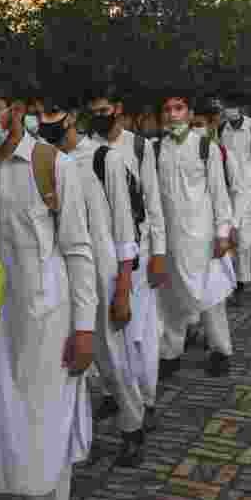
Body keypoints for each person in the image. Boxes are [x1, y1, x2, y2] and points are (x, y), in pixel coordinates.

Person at [0, 70, 97, 500]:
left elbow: (79, 250)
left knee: (47, 429)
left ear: (17, 110)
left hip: (47, 326)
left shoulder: (53, 165)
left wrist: (84, 328)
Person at [36, 96, 146, 467]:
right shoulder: (43, 162)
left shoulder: (102, 159)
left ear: (70, 117)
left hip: (101, 274)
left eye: (51, 111)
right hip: (59, 276)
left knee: (113, 358)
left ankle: (133, 425)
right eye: (39, 114)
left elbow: (124, 225)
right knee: (67, 362)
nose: (45, 120)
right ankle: (75, 438)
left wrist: (123, 286)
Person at [86, 85, 169, 424]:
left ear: (118, 109)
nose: (98, 117)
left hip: (140, 249)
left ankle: (146, 400)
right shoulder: (86, 149)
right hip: (103, 254)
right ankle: (113, 392)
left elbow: (152, 200)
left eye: (104, 110)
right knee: (106, 333)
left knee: (140, 334)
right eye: (93, 111)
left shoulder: (139, 146)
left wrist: (159, 253)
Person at [155, 90, 236, 378]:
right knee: (170, 297)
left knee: (210, 296)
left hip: (201, 237)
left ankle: (220, 350)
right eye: (168, 109)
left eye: (179, 108)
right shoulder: (155, 150)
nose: (173, 113)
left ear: (190, 115)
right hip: (169, 238)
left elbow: (219, 193)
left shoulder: (206, 147)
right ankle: (171, 353)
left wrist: (223, 233)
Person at [219, 94, 251, 304]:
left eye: (232, 106)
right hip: (228, 192)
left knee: (244, 241)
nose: (229, 110)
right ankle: (228, 283)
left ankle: (242, 283)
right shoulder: (222, 129)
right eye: (226, 106)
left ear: (241, 107)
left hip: (248, 192)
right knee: (228, 238)